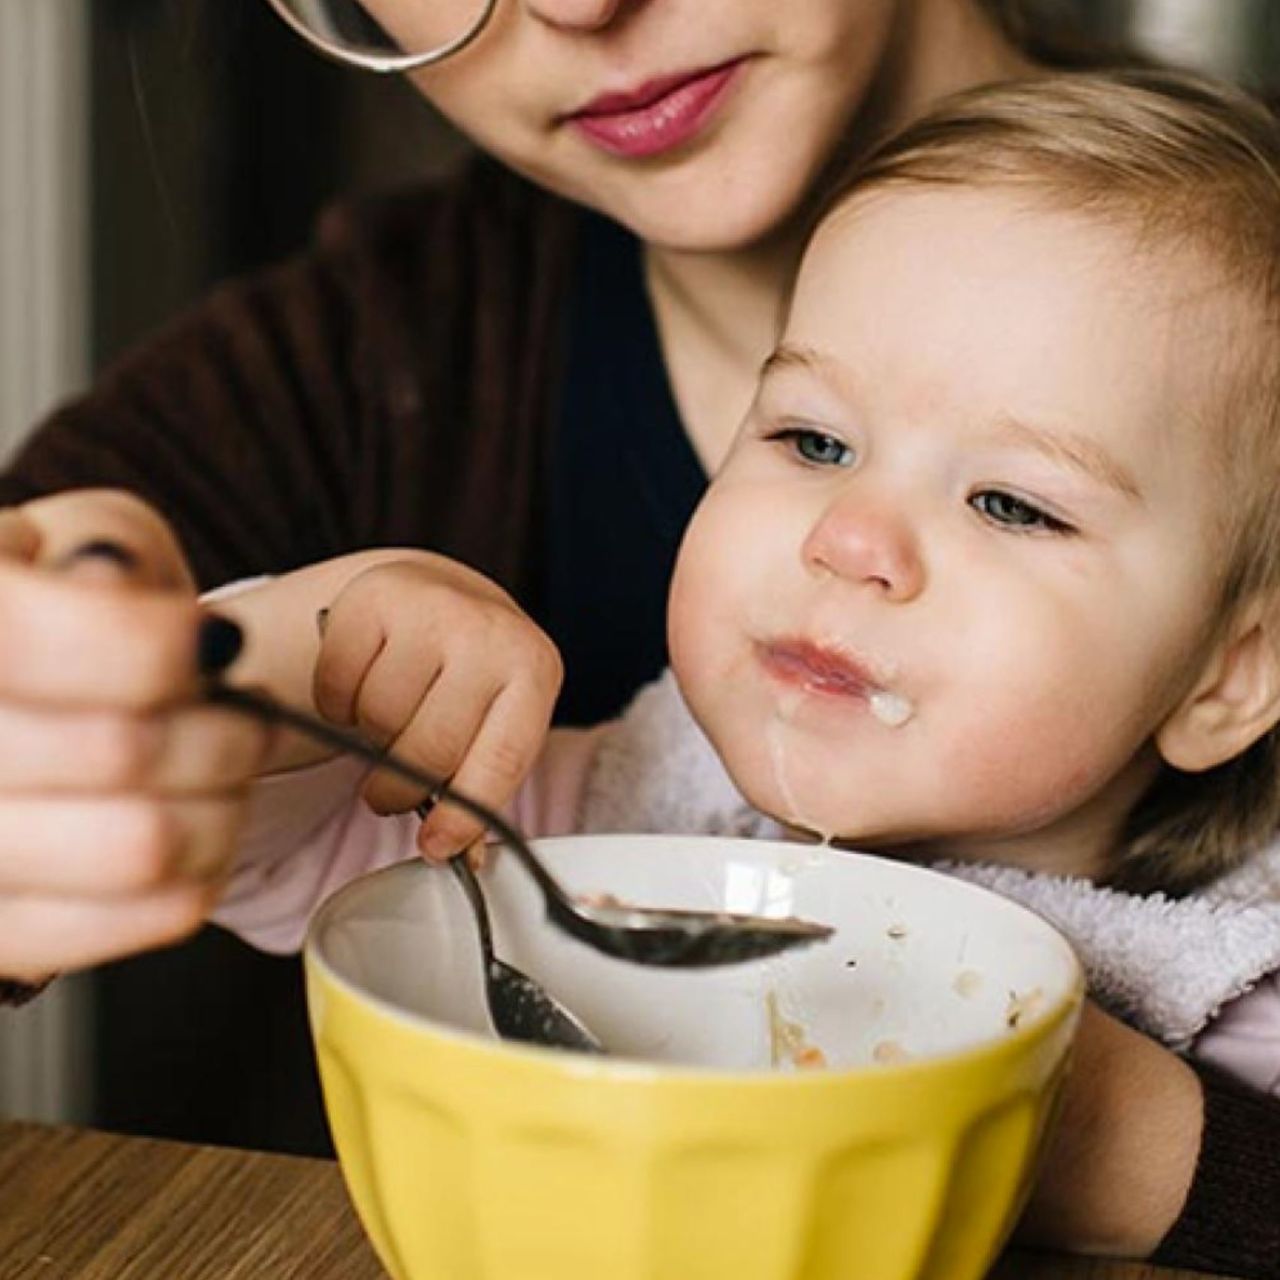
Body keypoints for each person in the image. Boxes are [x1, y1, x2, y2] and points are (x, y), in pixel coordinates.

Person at [0, 0, 1273, 1267]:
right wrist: (278, 660)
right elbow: (269, 824)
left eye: (1008, 502)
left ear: (1232, 670)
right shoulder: (596, 819)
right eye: (808, 440)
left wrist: (1089, 1121)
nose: (847, 539)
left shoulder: (1233, 967)